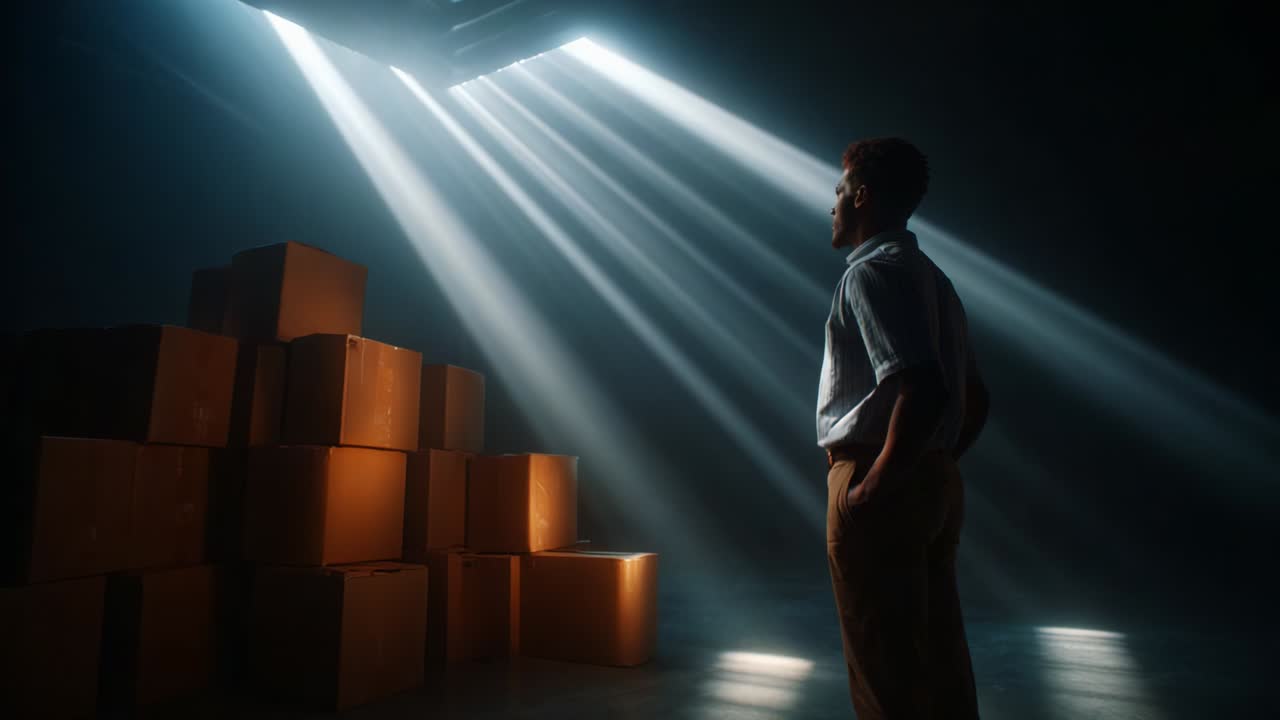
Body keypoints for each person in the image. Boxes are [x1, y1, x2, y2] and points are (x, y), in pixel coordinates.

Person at [817, 137, 989, 719]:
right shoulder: (935, 280)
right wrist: (934, 462)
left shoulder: (870, 275)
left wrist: (874, 485)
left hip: (878, 476)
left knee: (882, 666)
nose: (832, 204)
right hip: (933, 479)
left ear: (862, 196)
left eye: (839, 191)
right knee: (938, 657)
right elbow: (975, 397)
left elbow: (924, 387)